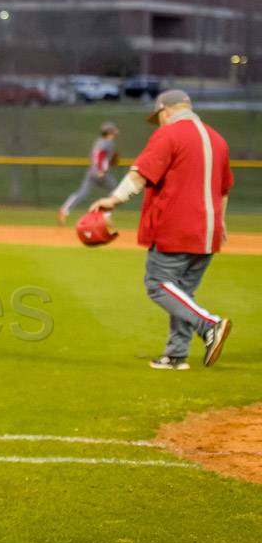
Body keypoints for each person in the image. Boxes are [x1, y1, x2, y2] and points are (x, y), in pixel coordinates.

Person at [90, 89, 233, 369]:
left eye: (160, 117)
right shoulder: (218, 139)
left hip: (176, 227)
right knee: (181, 294)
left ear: (166, 110)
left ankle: (209, 325)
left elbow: (140, 174)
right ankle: (176, 354)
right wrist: (221, 221)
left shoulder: (169, 134)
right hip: (209, 230)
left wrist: (113, 199)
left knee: (157, 285)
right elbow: (224, 189)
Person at [58, 121, 120, 224]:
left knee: (82, 193)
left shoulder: (99, 141)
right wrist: (100, 169)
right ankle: (106, 216)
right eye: (113, 130)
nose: (115, 132)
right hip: (100, 173)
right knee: (116, 191)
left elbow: (103, 157)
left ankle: (64, 210)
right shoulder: (107, 142)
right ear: (109, 132)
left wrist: (109, 161)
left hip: (91, 171)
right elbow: (99, 155)